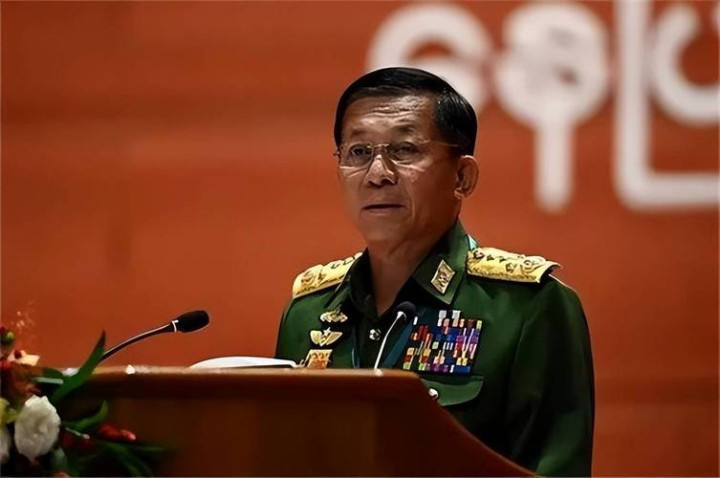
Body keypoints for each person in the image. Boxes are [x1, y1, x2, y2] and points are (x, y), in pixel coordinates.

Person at [275, 67, 594, 476]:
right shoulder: (308, 313)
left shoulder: (527, 308)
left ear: (462, 177)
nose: (377, 174)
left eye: (404, 150)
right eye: (358, 152)